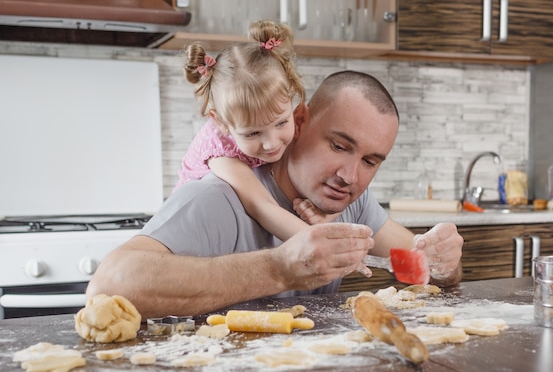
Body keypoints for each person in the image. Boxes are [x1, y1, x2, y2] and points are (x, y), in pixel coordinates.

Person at [86, 70, 463, 318]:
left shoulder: (354, 203)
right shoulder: (218, 197)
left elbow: (427, 265)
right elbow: (108, 285)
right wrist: (280, 268)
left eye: (370, 161)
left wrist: (443, 259)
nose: (350, 176)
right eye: (338, 146)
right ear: (299, 121)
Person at [174, 20, 337, 245]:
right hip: (193, 234)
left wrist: (325, 214)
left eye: (281, 123)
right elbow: (261, 206)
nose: (271, 144)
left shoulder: (289, 121)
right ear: (221, 122)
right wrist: (326, 244)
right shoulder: (221, 154)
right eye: (252, 134)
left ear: (291, 102)